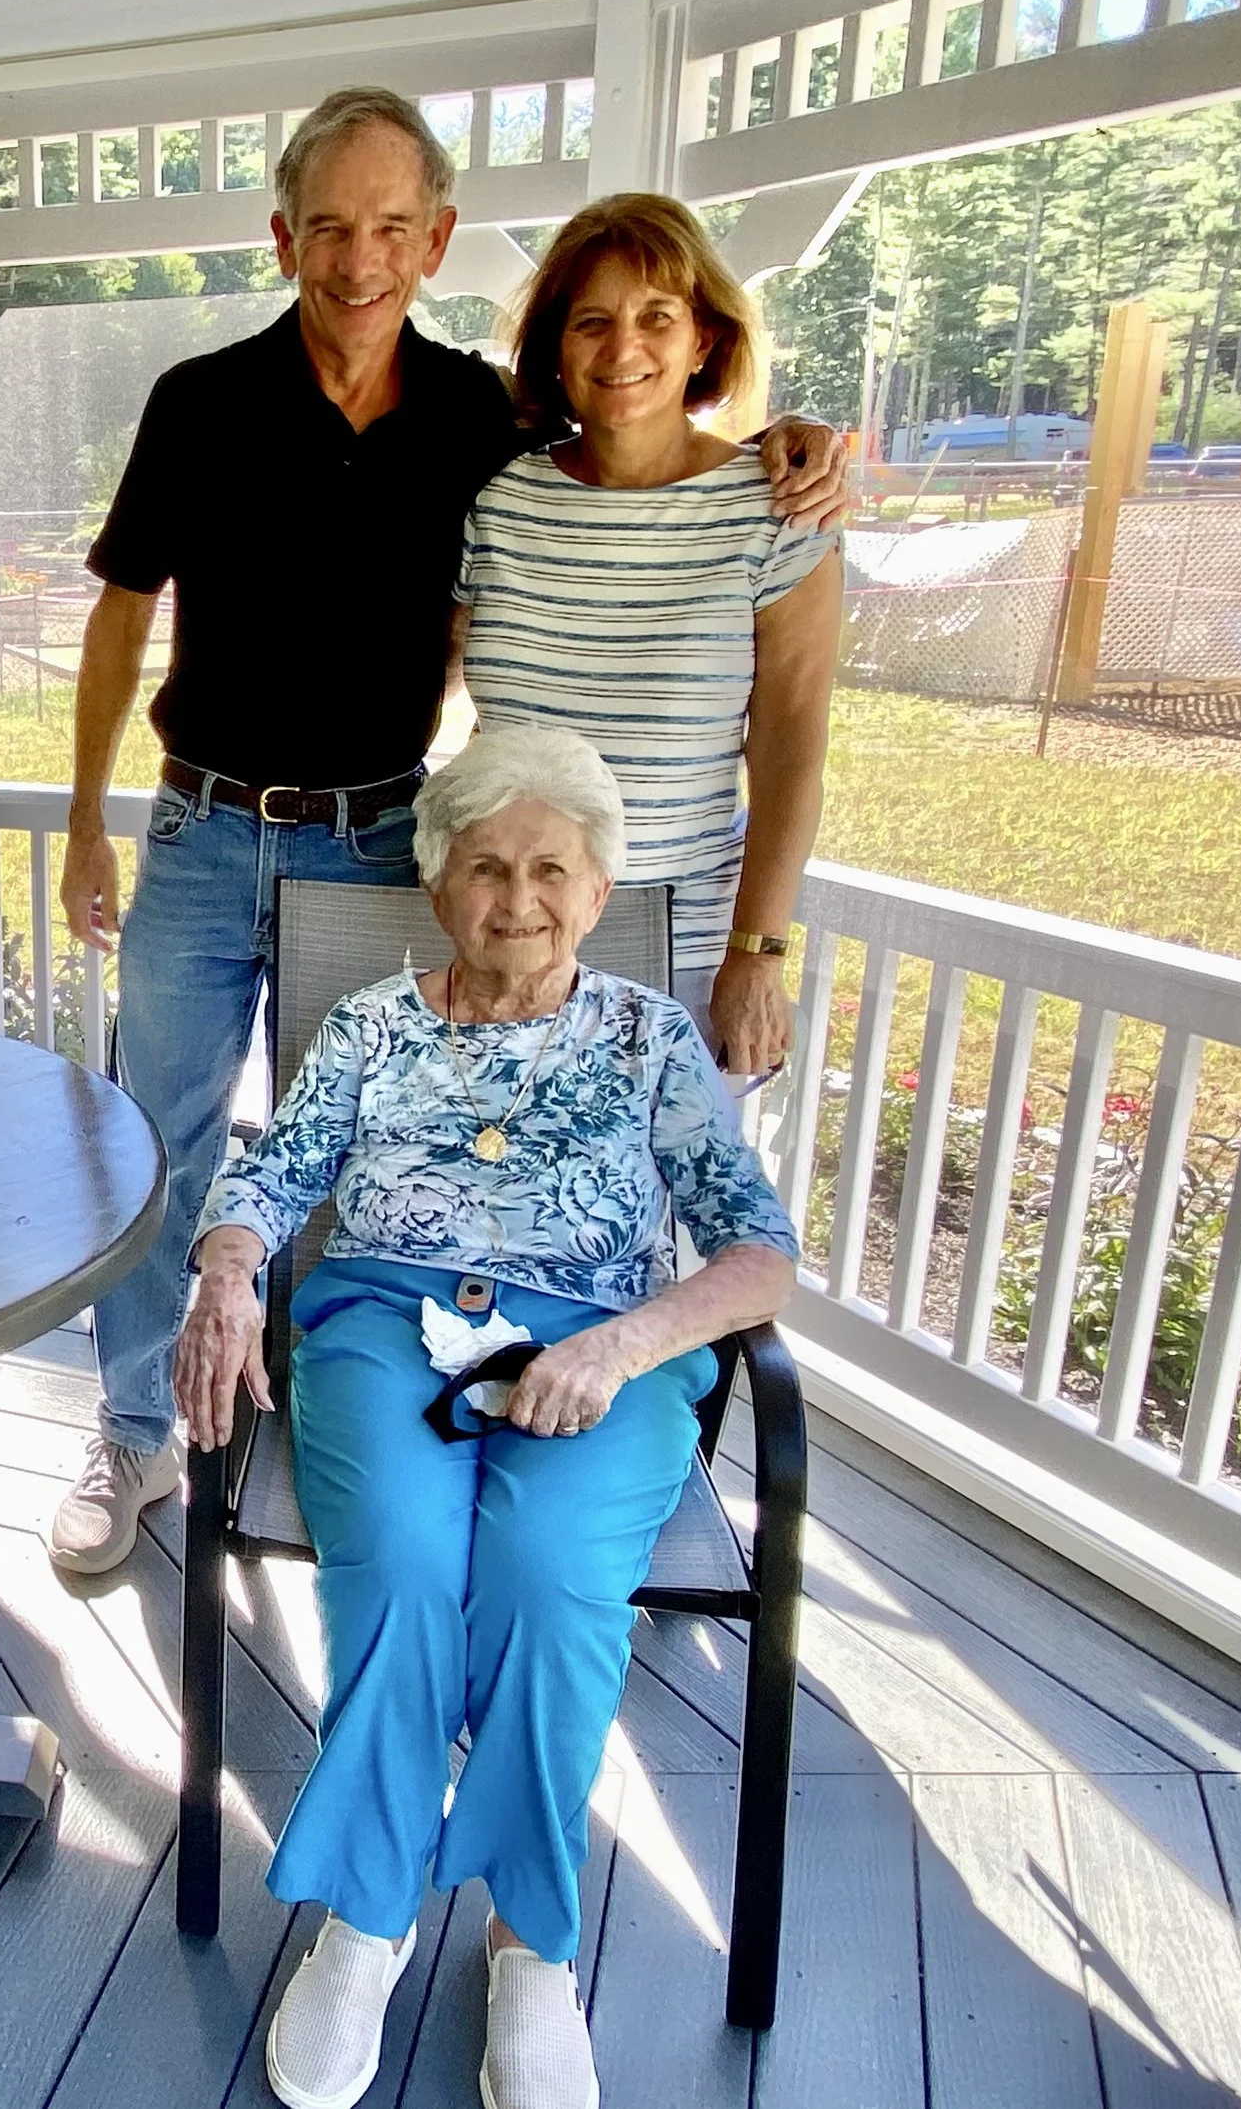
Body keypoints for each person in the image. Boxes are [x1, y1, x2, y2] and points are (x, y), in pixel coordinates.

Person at [44, 85, 844, 1575]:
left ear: (438, 240)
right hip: (205, 833)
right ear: (286, 233)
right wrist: (89, 819)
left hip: (382, 843)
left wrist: (788, 438)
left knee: (357, 1153)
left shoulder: (483, 412)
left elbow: (641, 416)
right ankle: (139, 1429)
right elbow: (117, 616)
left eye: (394, 226)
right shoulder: (200, 400)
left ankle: (304, 1404)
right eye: (332, 224)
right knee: (160, 1139)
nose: (361, 255)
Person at [173, 726, 797, 2109]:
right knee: (398, 1563)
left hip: (600, 1346)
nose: (517, 898)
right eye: (485, 866)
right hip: (387, 1325)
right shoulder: (370, 1026)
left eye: (550, 871)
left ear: (595, 888)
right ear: (438, 880)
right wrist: (225, 1272)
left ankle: (529, 1941)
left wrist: (631, 1342)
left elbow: (760, 1253)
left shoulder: (648, 1040)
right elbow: (274, 1175)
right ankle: (370, 1915)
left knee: (550, 1580)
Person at [454, 191, 846, 1079]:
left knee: (661, 1211)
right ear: (556, 346)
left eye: (656, 317)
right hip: (504, 931)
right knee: (491, 1200)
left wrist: (759, 951)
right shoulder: (504, 500)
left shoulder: (777, 508)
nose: (623, 348)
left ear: (703, 338)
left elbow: (790, 748)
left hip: (683, 944)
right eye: (591, 321)